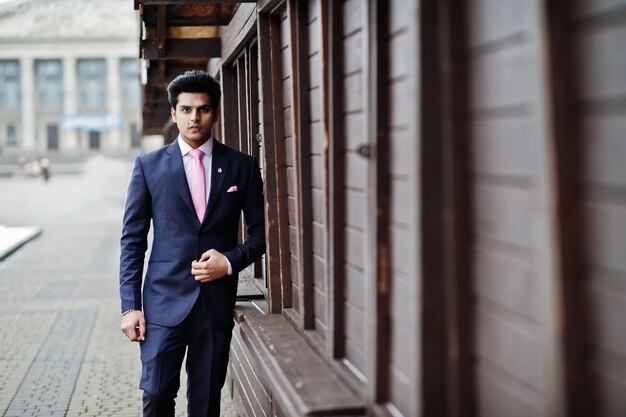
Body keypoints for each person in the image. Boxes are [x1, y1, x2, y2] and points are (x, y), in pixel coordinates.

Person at [119, 70, 266, 417]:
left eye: (202, 109)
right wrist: (130, 306)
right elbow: (132, 241)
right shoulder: (148, 166)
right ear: (173, 113)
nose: (194, 118)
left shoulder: (241, 166)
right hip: (161, 305)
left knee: (204, 403)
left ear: (215, 112)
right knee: (155, 395)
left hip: (214, 306)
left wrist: (229, 262)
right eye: (186, 110)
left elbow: (261, 233)